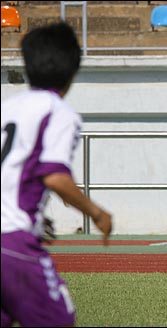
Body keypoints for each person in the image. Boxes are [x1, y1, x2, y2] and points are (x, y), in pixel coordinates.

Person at [1, 22, 113, 327]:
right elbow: (55, 177)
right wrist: (97, 213)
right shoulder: (58, 112)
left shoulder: (8, 108)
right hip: (13, 245)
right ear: (72, 70)